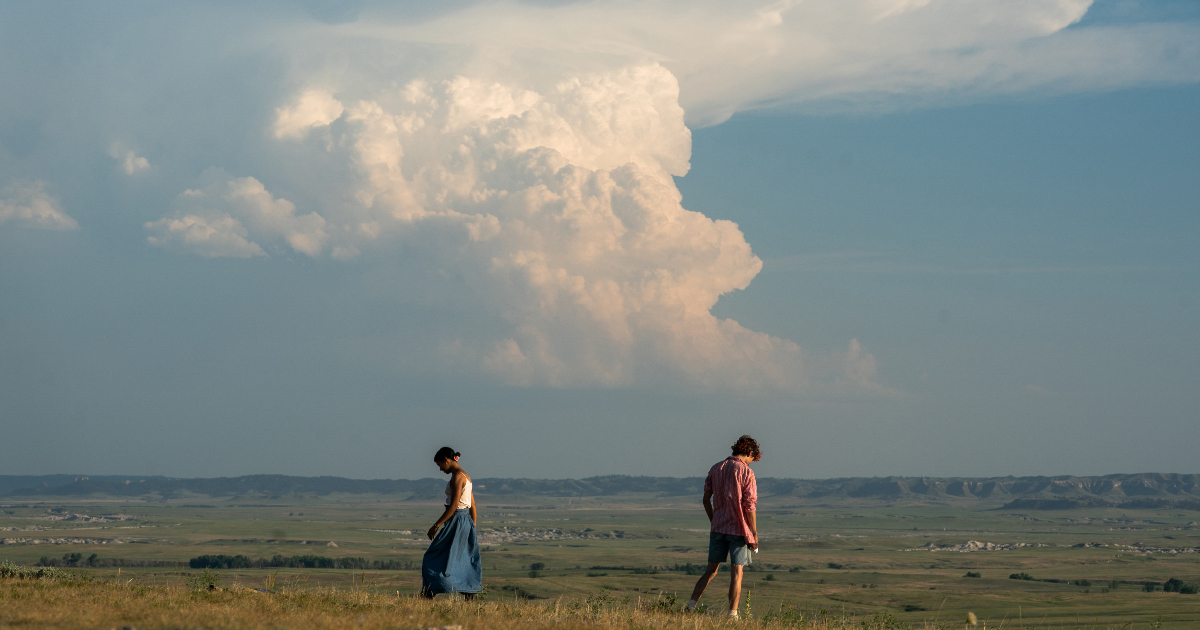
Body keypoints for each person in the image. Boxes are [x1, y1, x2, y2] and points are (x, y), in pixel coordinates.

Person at [685, 435, 761, 618]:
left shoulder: (715, 468)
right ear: (750, 453)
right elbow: (749, 505)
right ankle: (732, 615)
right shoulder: (746, 472)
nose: (751, 463)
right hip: (739, 529)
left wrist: (714, 520)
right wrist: (754, 532)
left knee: (711, 570)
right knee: (737, 572)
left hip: (718, 527)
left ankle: (691, 605)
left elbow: (705, 500)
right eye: (753, 459)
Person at [420, 446, 482, 599]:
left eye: (440, 465)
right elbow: (472, 504)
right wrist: (472, 526)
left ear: (446, 460)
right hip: (465, 521)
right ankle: (468, 593)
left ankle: (429, 592)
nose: (440, 469)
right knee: (461, 559)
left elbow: (454, 506)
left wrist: (436, 525)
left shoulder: (457, 477)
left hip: (456, 519)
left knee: (432, 556)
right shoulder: (466, 476)